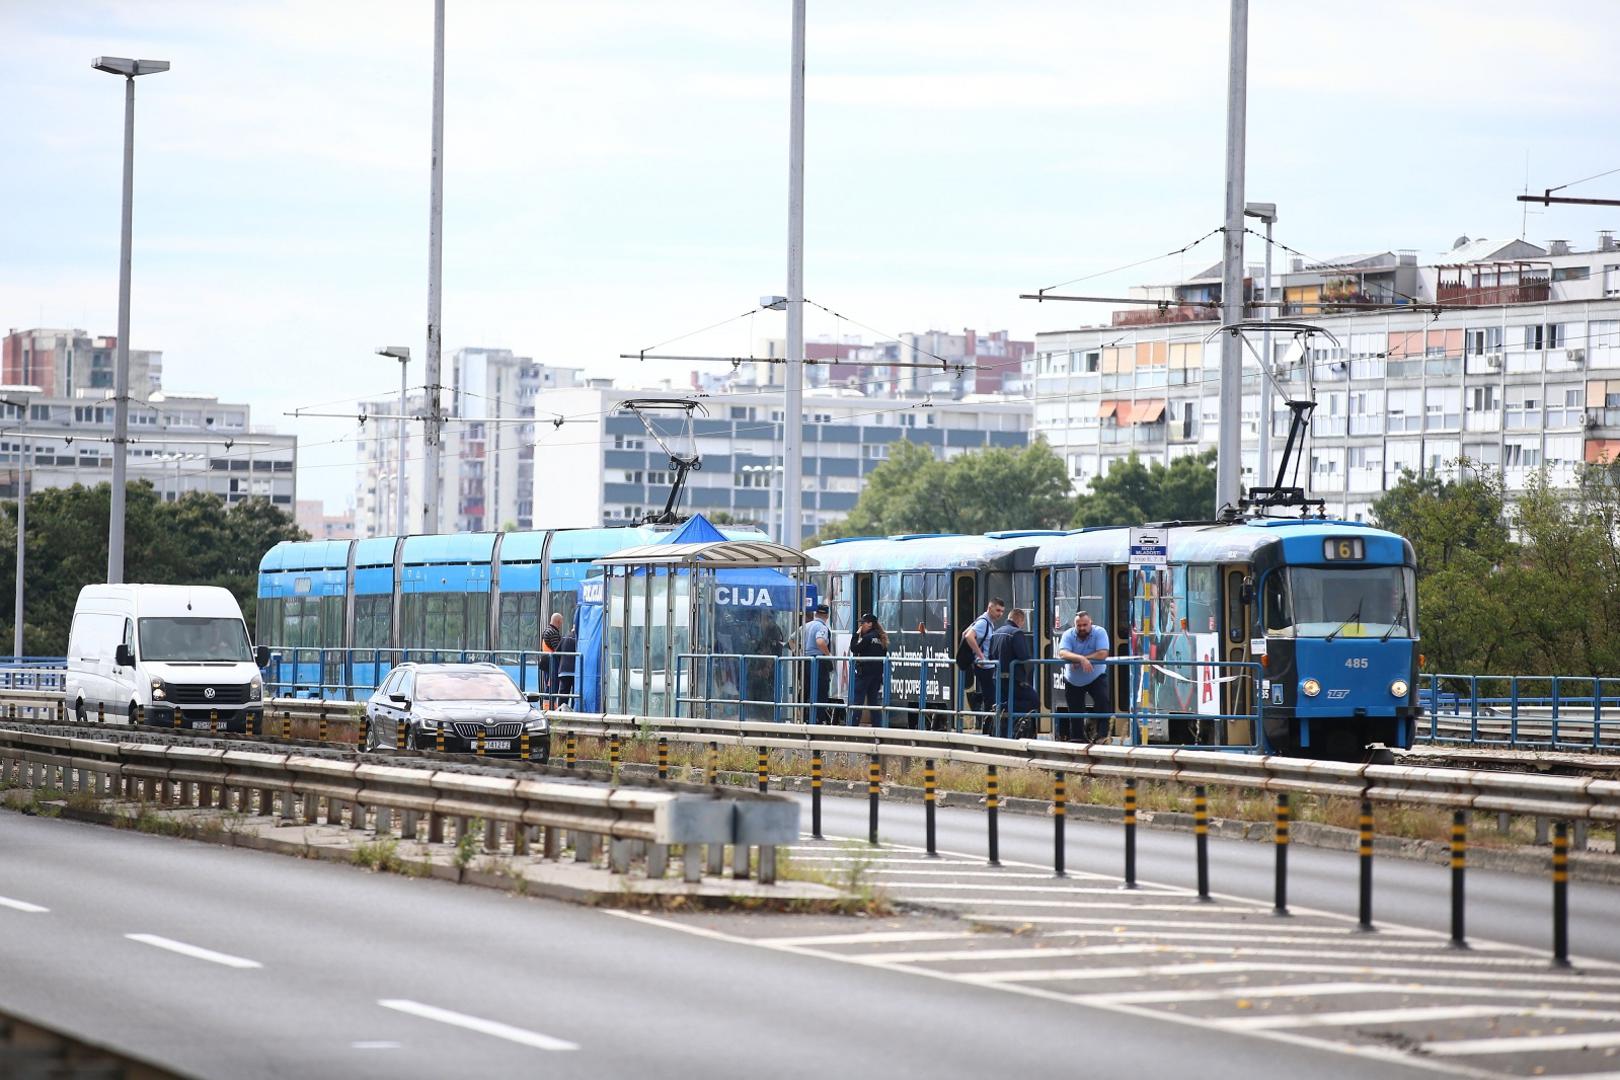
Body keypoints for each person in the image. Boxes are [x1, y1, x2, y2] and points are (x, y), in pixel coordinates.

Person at [1057, 609, 1112, 742]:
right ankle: (1077, 739)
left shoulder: (1100, 632)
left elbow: (1103, 653)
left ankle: (1102, 736)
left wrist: (1083, 658)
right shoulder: (1068, 634)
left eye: (1084, 625)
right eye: (1079, 625)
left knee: (1103, 702)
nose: (1082, 628)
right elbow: (1063, 653)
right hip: (1073, 679)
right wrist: (1081, 659)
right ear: (1074, 625)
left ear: (1090, 623)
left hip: (1096, 676)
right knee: (1075, 711)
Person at [987, 608, 1039, 738]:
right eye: (1023, 622)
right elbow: (1023, 656)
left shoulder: (995, 633)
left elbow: (990, 656)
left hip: (997, 678)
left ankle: (1005, 737)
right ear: (1020, 620)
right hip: (1014, 679)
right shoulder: (1016, 633)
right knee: (1034, 701)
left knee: (1006, 714)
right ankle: (1003, 706)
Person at [962, 597, 1006, 720]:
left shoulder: (984, 620)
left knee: (990, 697)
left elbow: (964, 633)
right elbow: (969, 636)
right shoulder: (984, 622)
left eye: (1002, 611)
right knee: (990, 699)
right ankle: (988, 726)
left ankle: (978, 702)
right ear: (990, 608)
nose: (1000, 614)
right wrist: (980, 656)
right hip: (984, 666)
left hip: (985, 665)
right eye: (998, 610)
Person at [848, 613, 889, 726]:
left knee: (857, 702)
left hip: (864, 674)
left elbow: (854, 648)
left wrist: (856, 635)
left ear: (870, 624)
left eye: (863, 623)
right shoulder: (881, 639)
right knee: (873, 702)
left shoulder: (867, 638)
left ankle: (853, 726)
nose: (861, 626)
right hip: (876, 676)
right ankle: (878, 726)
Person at [801, 603, 834, 724]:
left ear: (816, 613)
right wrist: (828, 654)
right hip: (819, 663)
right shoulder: (822, 627)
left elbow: (792, 640)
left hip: (806, 661)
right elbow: (820, 641)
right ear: (827, 615)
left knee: (807, 689)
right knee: (820, 690)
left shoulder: (806, 626)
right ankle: (820, 718)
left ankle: (806, 717)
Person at [540, 612, 564, 706]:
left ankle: (547, 706)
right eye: (560, 623)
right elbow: (557, 649)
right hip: (551, 664)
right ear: (558, 622)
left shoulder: (547, 630)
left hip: (547, 663)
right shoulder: (553, 633)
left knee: (549, 686)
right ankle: (548, 707)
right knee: (552, 687)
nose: (560, 626)